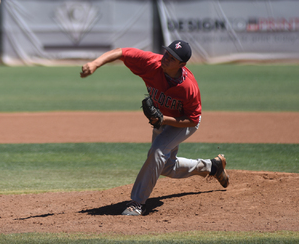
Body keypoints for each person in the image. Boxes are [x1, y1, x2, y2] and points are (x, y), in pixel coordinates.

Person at [80, 40, 229, 216]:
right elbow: (122, 52)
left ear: (182, 64)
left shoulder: (188, 87)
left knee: (158, 151)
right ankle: (212, 167)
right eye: (167, 53)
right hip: (162, 119)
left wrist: (163, 119)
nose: (166, 58)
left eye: (172, 58)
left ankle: (137, 203)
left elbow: (192, 119)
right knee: (166, 167)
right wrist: (95, 63)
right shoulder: (151, 63)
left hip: (182, 122)